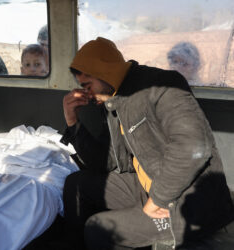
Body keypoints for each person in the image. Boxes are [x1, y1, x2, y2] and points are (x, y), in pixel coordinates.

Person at [60, 37, 234, 249]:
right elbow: (104, 164)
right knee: (75, 185)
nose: (86, 92)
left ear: (103, 71)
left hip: (191, 203)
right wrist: (73, 122)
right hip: (147, 186)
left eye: (88, 85)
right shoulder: (114, 103)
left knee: (98, 228)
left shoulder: (162, 85)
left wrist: (158, 200)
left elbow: (193, 147)